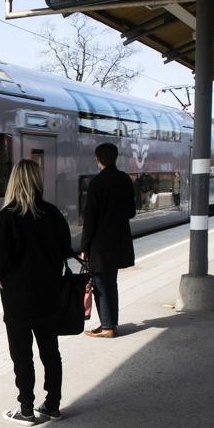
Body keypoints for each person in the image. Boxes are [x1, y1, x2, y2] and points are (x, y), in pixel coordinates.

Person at [0, 159, 73, 425]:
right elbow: (66, 249)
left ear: (14, 181)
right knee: (51, 352)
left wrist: (0, 278)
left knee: (22, 355)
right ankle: (52, 406)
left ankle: (26, 409)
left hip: (18, 299)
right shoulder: (52, 213)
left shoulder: (7, 217)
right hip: (49, 295)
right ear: (37, 181)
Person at [80, 143, 136, 339]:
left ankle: (107, 327)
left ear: (98, 159)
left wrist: (85, 246)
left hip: (100, 245)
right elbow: (131, 212)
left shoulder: (97, 183)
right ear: (115, 157)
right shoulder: (125, 179)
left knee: (101, 286)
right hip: (119, 242)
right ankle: (111, 324)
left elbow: (90, 219)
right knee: (111, 284)